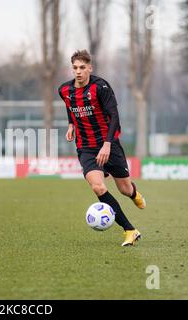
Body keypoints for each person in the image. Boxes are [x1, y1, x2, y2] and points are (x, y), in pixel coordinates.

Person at [58, 50, 146, 247]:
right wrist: (71, 124)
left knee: (124, 188)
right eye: (75, 68)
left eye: (82, 67)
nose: (78, 72)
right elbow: (70, 107)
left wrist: (107, 144)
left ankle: (134, 194)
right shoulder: (64, 90)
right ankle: (130, 230)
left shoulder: (101, 87)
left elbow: (114, 116)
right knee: (98, 187)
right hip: (86, 147)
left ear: (90, 68)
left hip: (109, 144)